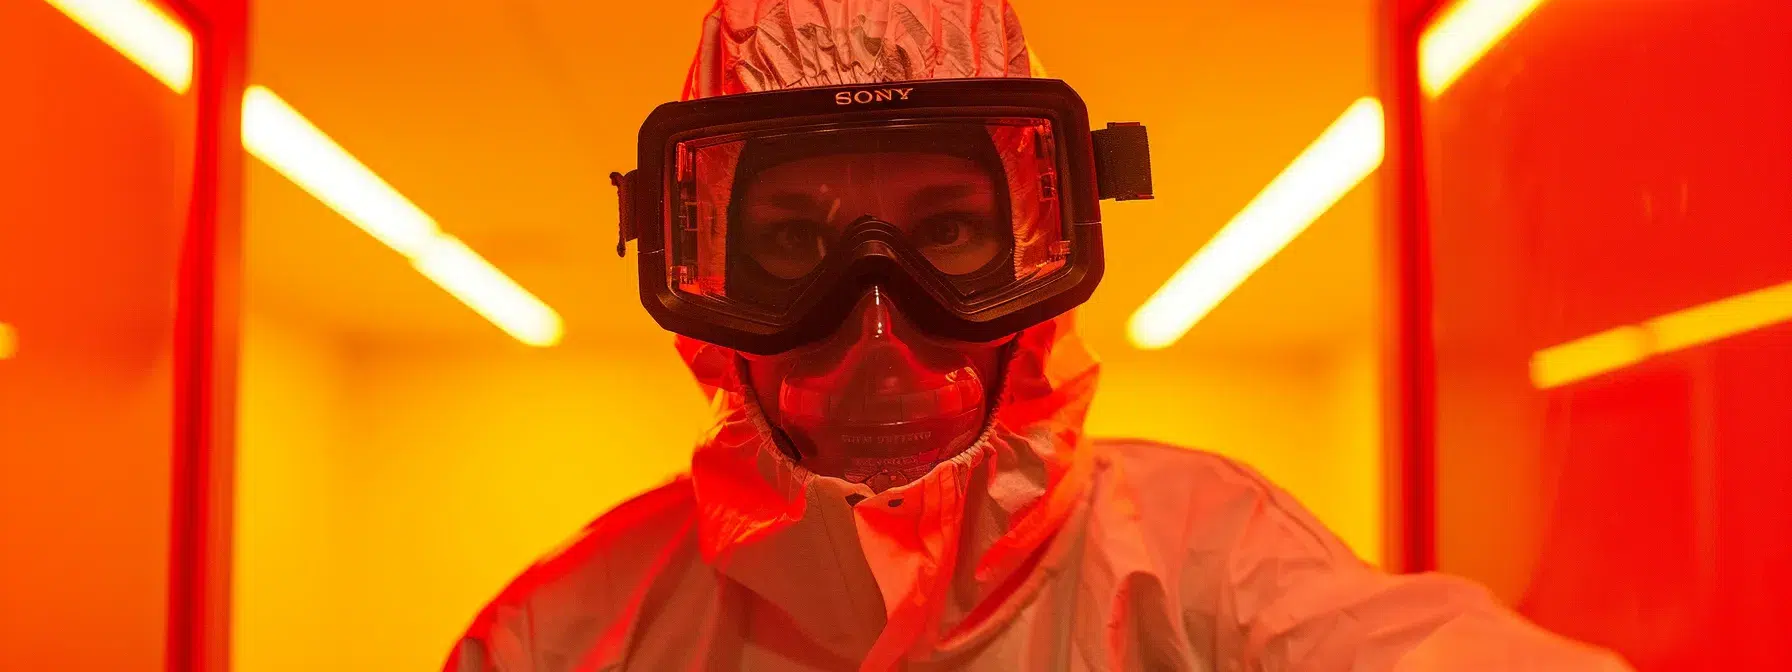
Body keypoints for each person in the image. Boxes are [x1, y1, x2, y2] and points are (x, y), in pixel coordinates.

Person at [445, 1, 1634, 669]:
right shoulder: (562, 641)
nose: (876, 327)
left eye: (948, 232)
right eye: (796, 246)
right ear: (697, 275)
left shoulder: (1208, 576)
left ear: (1046, 252)